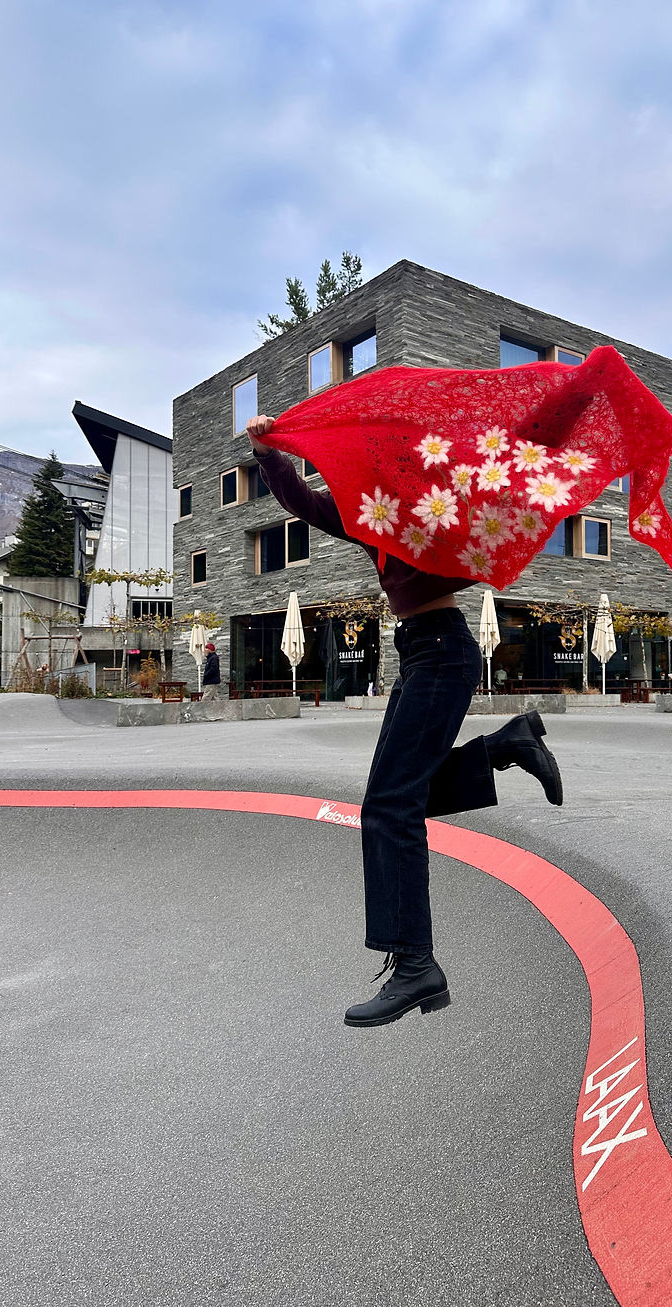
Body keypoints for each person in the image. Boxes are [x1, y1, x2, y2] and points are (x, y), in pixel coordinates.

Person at [246, 415, 563, 1029]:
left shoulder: (436, 506)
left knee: (388, 807)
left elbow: (510, 473)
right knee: (392, 800)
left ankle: (416, 964)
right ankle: (507, 744)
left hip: (444, 653)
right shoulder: (377, 516)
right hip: (422, 652)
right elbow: (305, 504)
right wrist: (269, 453)